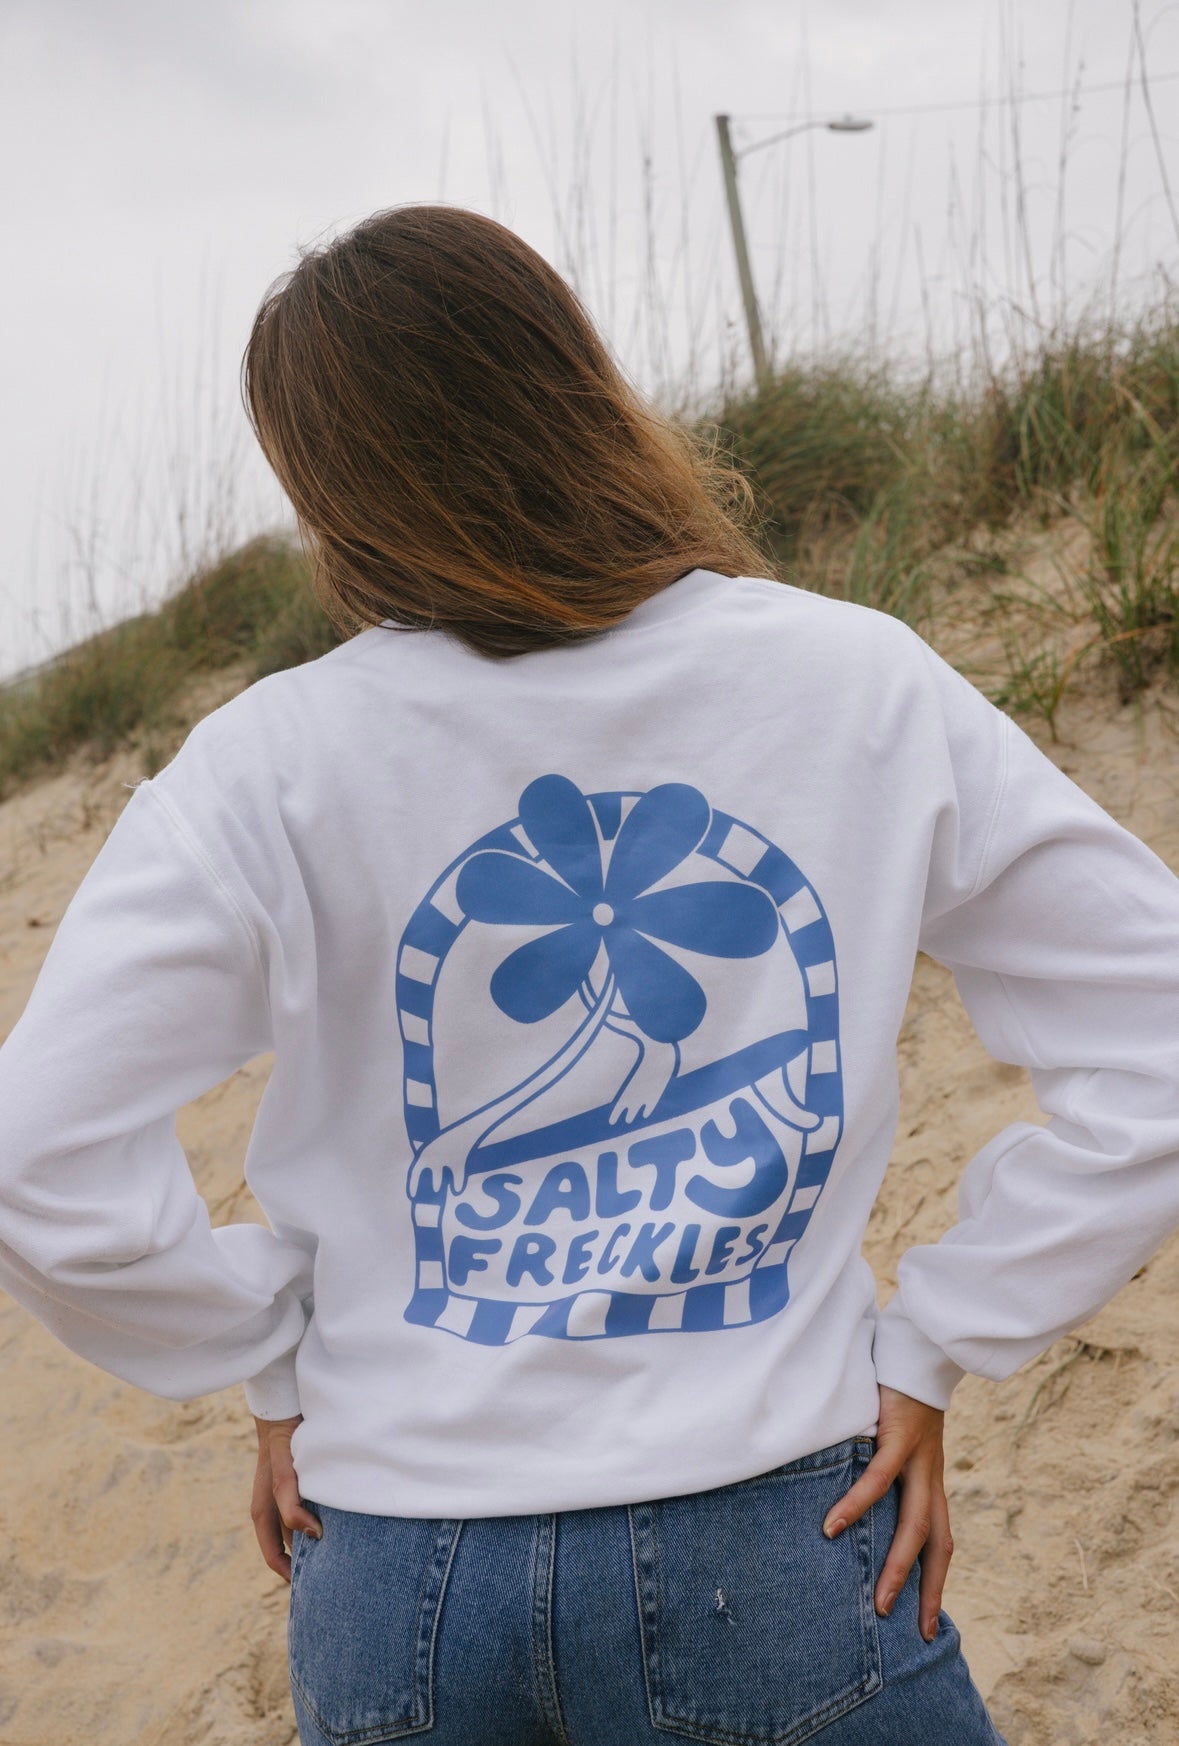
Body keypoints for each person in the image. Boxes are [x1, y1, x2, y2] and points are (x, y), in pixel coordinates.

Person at [2, 205, 1178, 1746]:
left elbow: (37, 1152)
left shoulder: (264, 765)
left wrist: (269, 1357)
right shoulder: (852, 680)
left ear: (328, 492)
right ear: (580, 384)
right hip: (774, 1524)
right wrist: (943, 1333)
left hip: (397, 1566)